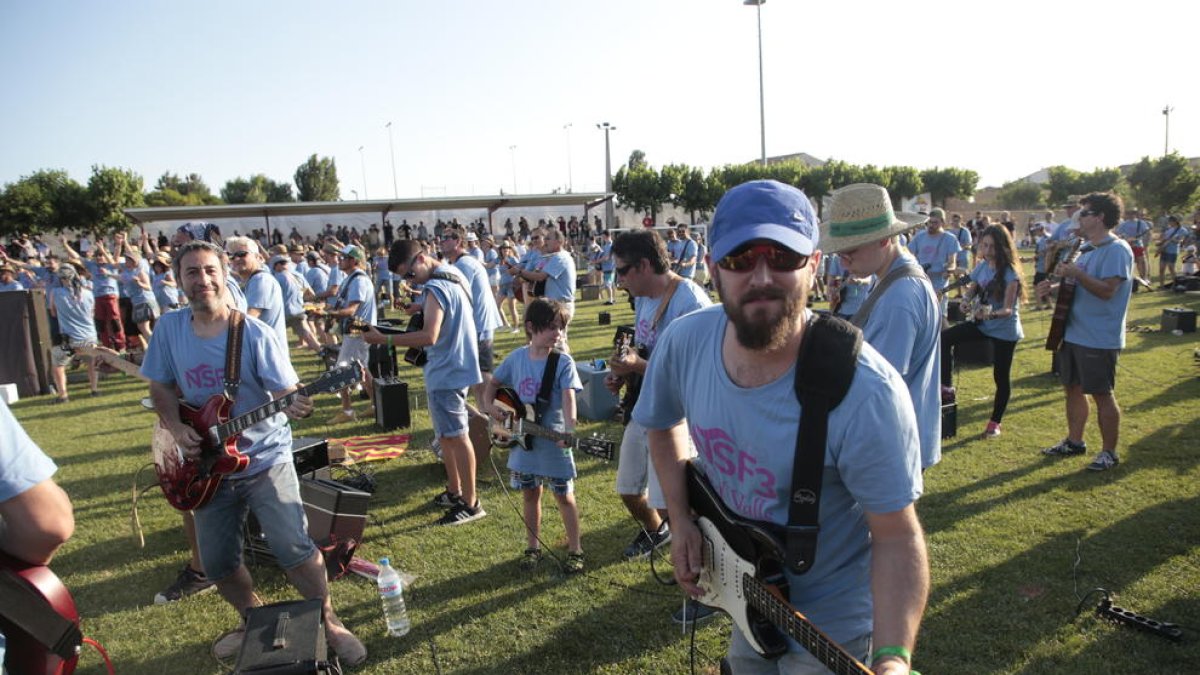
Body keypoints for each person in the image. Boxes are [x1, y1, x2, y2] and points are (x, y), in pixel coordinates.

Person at [637, 180, 927, 674]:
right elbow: (661, 426)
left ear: (814, 266)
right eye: (740, 259)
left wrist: (894, 658)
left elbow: (898, 537)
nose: (762, 276)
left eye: (783, 257)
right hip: (746, 600)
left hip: (830, 627)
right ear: (712, 269)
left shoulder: (866, 391)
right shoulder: (685, 343)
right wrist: (682, 520)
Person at [140, 240, 366, 663]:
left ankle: (330, 622)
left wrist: (298, 400)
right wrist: (174, 428)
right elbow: (160, 387)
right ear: (178, 279)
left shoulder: (253, 333)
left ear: (224, 275)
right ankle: (254, 618)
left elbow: (286, 392)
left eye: (210, 270)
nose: (203, 279)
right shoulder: (169, 330)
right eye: (192, 272)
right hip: (207, 467)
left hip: (263, 458)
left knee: (292, 547)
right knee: (218, 562)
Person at [820, 183, 943, 471]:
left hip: (892, 442)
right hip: (898, 434)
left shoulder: (899, 296)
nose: (842, 260)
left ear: (883, 240)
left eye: (849, 250)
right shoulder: (892, 276)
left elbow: (879, 386)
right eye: (838, 252)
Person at [363, 239, 485, 525]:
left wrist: (384, 339)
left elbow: (429, 336)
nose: (408, 280)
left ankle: (471, 502)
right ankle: (455, 491)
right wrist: (420, 306)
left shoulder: (435, 287)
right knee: (446, 435)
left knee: (457, 435)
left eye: (408, 274)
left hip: (447, 368)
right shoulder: (454, 275)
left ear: (421, 258)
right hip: (454, 364)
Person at [483, 299, 585, 573]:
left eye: (561, 328)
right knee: (530, 495)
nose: (557, 334)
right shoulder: (516, 358)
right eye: (551, 327)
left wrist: (570, 430)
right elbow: (491, 386)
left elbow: (568, 399)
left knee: (564, 497)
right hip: (522, 444)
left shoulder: (562, 362)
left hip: (554, 441)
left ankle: (575, 549)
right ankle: (533, 547)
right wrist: (492, 409)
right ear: (531, 327)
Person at [1037, 192, 1135, 471]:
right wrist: (1053, 288)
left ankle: (1109, 453)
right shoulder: (1086, 248)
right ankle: (1074, 441)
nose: (1079, 217)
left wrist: (1076, 274)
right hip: (1073, 332)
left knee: (1102, 393)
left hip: (1099, 336)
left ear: (1100, 217)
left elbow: (1107, 290)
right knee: (1072, 389)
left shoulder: (1116, 250)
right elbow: (1077, 286)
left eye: (1085, 213)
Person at [939, 225, 1026, 439]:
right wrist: (965, 302)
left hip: (1004, 330)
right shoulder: (983, 265)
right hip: (983, 324)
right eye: (984, 245)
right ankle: (946, 387)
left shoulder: (1010, 273)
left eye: (991, 246)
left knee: (1001, 376)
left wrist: (987, 315)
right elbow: (972, 287)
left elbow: (1007, 310)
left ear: (1002, 247)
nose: (986, 250)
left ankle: (995, 422)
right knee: (944, 338)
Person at [319, 245, 376, 424]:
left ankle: (348, 410)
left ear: (354, 260)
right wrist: (327, 310)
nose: (339, 259)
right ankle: (376, 406)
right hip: (356, 331)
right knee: (362, 371)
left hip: (357, 331)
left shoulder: (358, 280)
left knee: (342, 370)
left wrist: (327, 314)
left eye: (343, 257)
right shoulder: (351, 278)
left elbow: (351, 310)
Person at [48, 263, 101, 402]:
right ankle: (94, 389)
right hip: (89, 336)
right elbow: (91, 313)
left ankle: (63, 395)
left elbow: (53, 313)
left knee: (58, 365)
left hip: (69, 338)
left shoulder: (56, 293)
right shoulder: (88, 293)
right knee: (91, 362)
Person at [516, 228, 576, 343]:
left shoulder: (560, 257)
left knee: (558, 343)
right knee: (554, 343)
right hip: (555, 306)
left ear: (559, 242)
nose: (545, 241)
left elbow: (540, 276)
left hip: (561, 305)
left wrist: (520, 272)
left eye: (548, 238)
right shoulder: (553, 257)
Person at [906, 208, 961, 316]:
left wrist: (949, 270)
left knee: (939, 316)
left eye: (935, 222)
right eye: (929, 222)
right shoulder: (920, 236)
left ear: (943, 222)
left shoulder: (950, 239)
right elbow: (908, 255)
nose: (931, 225)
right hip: (920, 281)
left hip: (939, 284)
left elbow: (952, 262)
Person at [1115, 209, 1152, 287]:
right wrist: (1126, 239)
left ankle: (1144, 278)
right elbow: (1117, 233)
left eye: (1133, 214)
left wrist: (1145, 243)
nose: (1131, 215)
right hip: (1128, 246)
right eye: (1129, 214)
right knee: (1129, 263)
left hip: (1138, 245)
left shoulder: (1140, 223)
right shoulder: (1124, 224)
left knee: (1141, 262)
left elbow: (1146, 232)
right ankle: (1130, 280)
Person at [1157, 215, 1187, 288]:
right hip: (1164, 250)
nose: (1169, 222)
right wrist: (1160, 242)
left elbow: (1181, 240)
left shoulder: (1182, 230)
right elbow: (1163, 238)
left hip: (1173, 251)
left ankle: (1175, 285)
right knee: (1161, 268)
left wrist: (1175, 240)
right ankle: (1161, 285)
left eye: (1171, 221)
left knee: (1171, 268)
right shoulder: (1168, 229)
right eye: (1169, 221)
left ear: (1175, 221)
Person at [597, 230, 616, 305]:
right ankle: (612, 299)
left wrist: (596, 261)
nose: (602, 237)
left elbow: (606, 258)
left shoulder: (609, 246)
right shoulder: (608, 245)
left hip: (608, 267)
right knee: (611, 284)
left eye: (603, 236)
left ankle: (610, 300)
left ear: (606, 236)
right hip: (611, 267)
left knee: (607, 284)